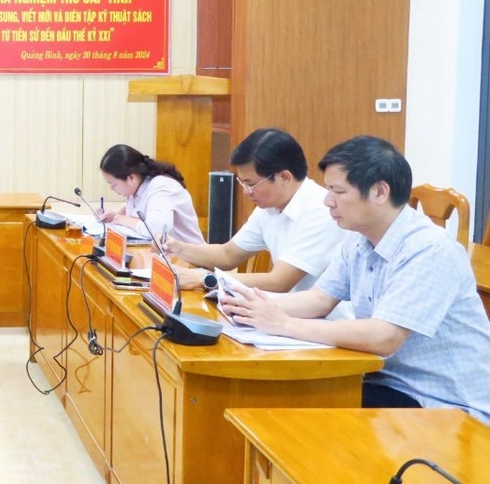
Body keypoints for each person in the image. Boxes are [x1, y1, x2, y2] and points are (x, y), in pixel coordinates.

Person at [220, 136, 490, 423]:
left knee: (297, 415)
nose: (328, 201)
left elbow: (384, 336)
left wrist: (284, 324)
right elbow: (319, 299)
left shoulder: (428, 249)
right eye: (328, 190)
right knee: (281, 400)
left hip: (442, 402)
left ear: (379, 192)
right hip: (384, 381)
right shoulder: (359, 239)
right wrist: (248, 305)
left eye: (338, 191)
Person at [165, 128, 346, 294]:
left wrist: (204, 278)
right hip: (285, 310)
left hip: (319, 317)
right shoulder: (269, 207)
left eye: (251, 184)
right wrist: (177, 248)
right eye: (242, 183)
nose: (246, 192)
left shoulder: (321, 212)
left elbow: (279, 282)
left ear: (284, 177)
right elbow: (228, 255)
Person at [98, 144, 204, 244]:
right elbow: (143, 210)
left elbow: (156, 231)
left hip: (188, 256)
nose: (111, 188)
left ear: (131, 178)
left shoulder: (162, 187)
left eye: (114, 184)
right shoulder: (136, 187)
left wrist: (122, 219)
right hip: (161, 252)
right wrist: (116, 214)